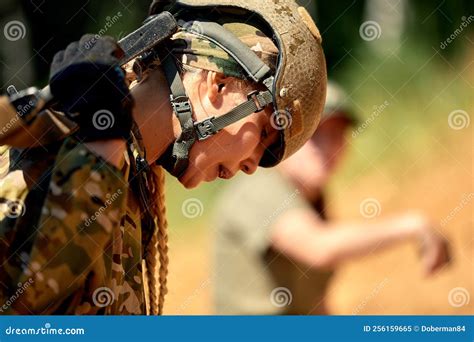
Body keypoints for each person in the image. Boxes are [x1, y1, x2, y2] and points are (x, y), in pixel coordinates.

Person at [0, 0, 327, 315]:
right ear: (219, 84)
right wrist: (101, 142)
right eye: (264, 134)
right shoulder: (47, 145)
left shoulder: (134, 177)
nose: (252, 165)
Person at [213, 82, 451, 315]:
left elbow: (314, 303)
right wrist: (411, 225)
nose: (325, 147)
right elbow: (320, 248)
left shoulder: (311, 197)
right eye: (313, 134)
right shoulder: (261, 186)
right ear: (283, 137)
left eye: (336, 134)